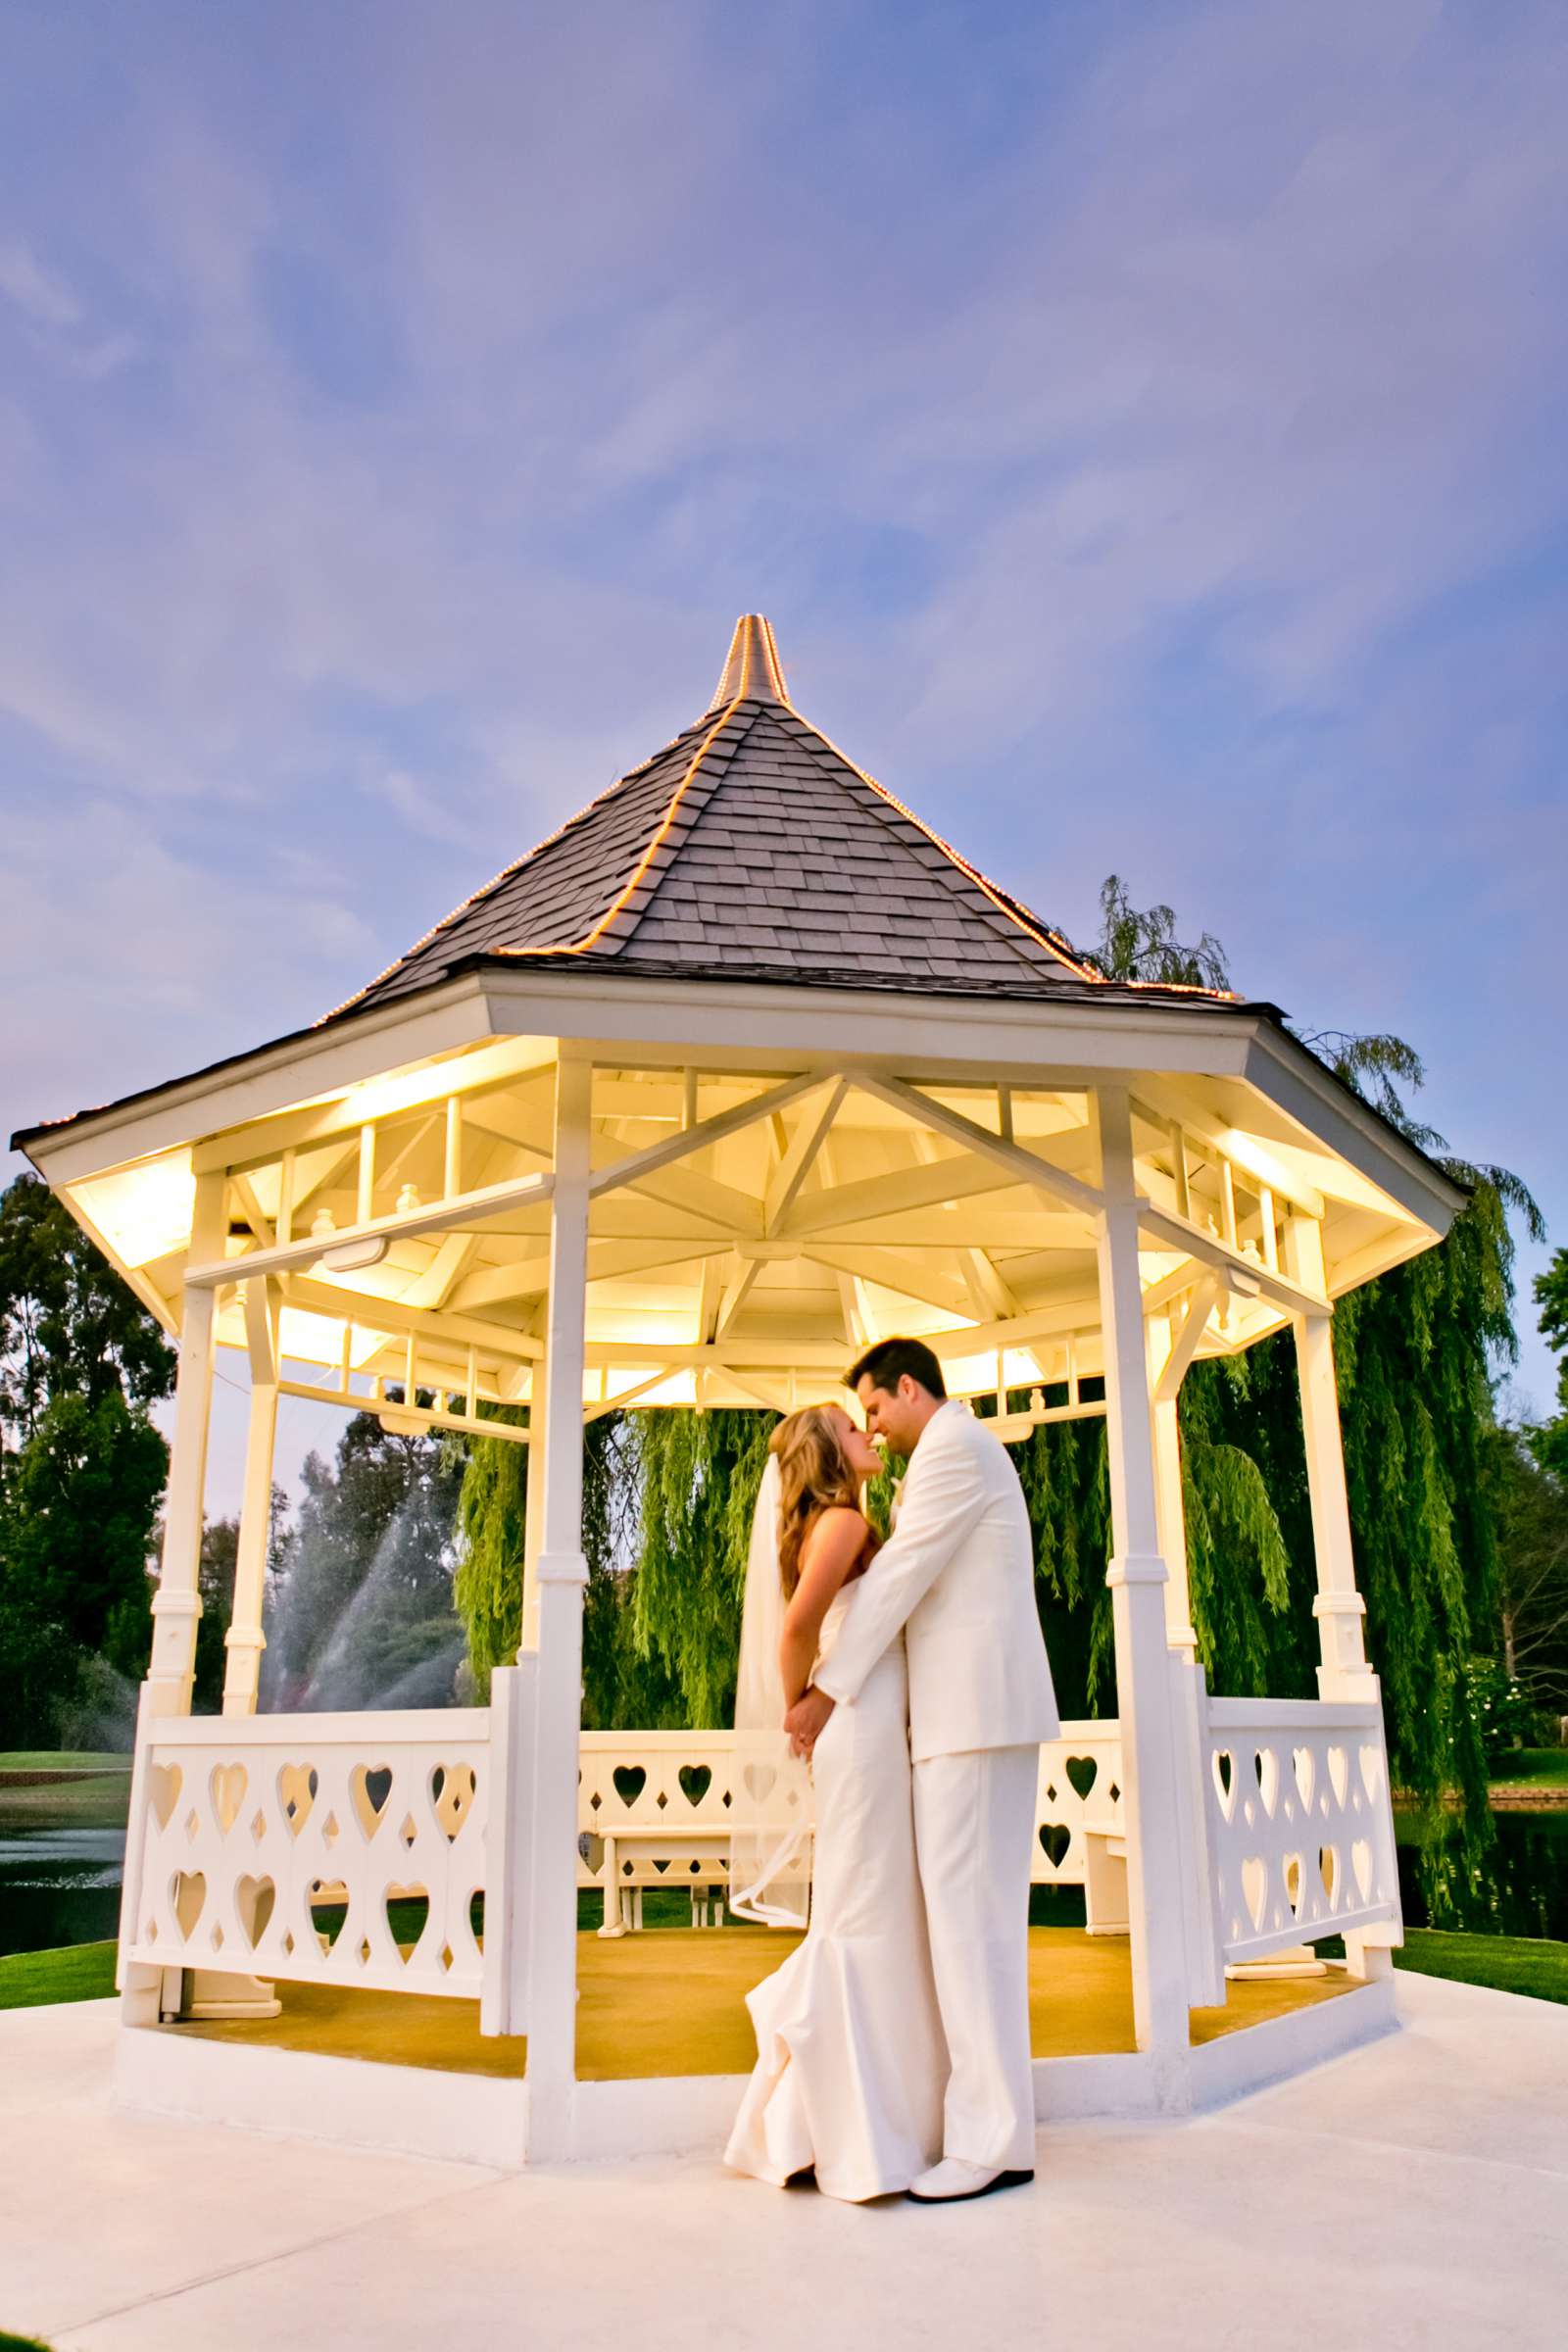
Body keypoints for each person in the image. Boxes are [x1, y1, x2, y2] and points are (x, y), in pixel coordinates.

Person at [784, 1337, 1059, 2205]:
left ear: (909, 1389)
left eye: (874, 1407)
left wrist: (824, 1690)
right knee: (967, 1929)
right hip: (961, 1722)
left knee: (970, 1932)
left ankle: (990, 2142)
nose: (873, 1424)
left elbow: (897, 1578)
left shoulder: (953, 1451)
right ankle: (992, 2127)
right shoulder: (953, 1455)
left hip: (972, 1721)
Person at [723, 1403, 947, 2202]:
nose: (871, 1436)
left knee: (867, 1908)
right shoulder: (846, 1522)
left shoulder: (836, 1522)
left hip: (868, 1729)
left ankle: (843, 2119)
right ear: (830, 1453)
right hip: (856, 1729)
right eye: (857, 1429)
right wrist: (804, 1707)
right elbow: (795, 1629)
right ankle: (846, 2124)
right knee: (864, 1913)